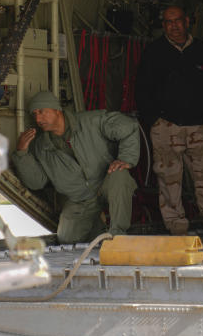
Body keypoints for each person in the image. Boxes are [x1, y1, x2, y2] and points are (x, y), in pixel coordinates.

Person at [136, 5, 203, 240]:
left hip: (200, 126)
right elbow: (143, 91)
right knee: (169, 179)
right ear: (163, 26)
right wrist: (155, 121)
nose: (174, 26)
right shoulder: (154, 52)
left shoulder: (202, 50)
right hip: (166, 127)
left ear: (187, 21)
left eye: (177, 20)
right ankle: (176, 226)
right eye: (168, 22)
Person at [10, 91, 139, 244]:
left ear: (56, 110)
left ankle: (118, 237)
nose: (38, 119)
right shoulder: (41, 146)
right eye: (35, 114)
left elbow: (129, 126)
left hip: (105, 183)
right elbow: (37, 182)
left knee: (120, 175)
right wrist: (22, 154)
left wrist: (126, 159)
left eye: (42, 112)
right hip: (80, 200)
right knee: (66, 240)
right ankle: (100, 232)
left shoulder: (91, 121)